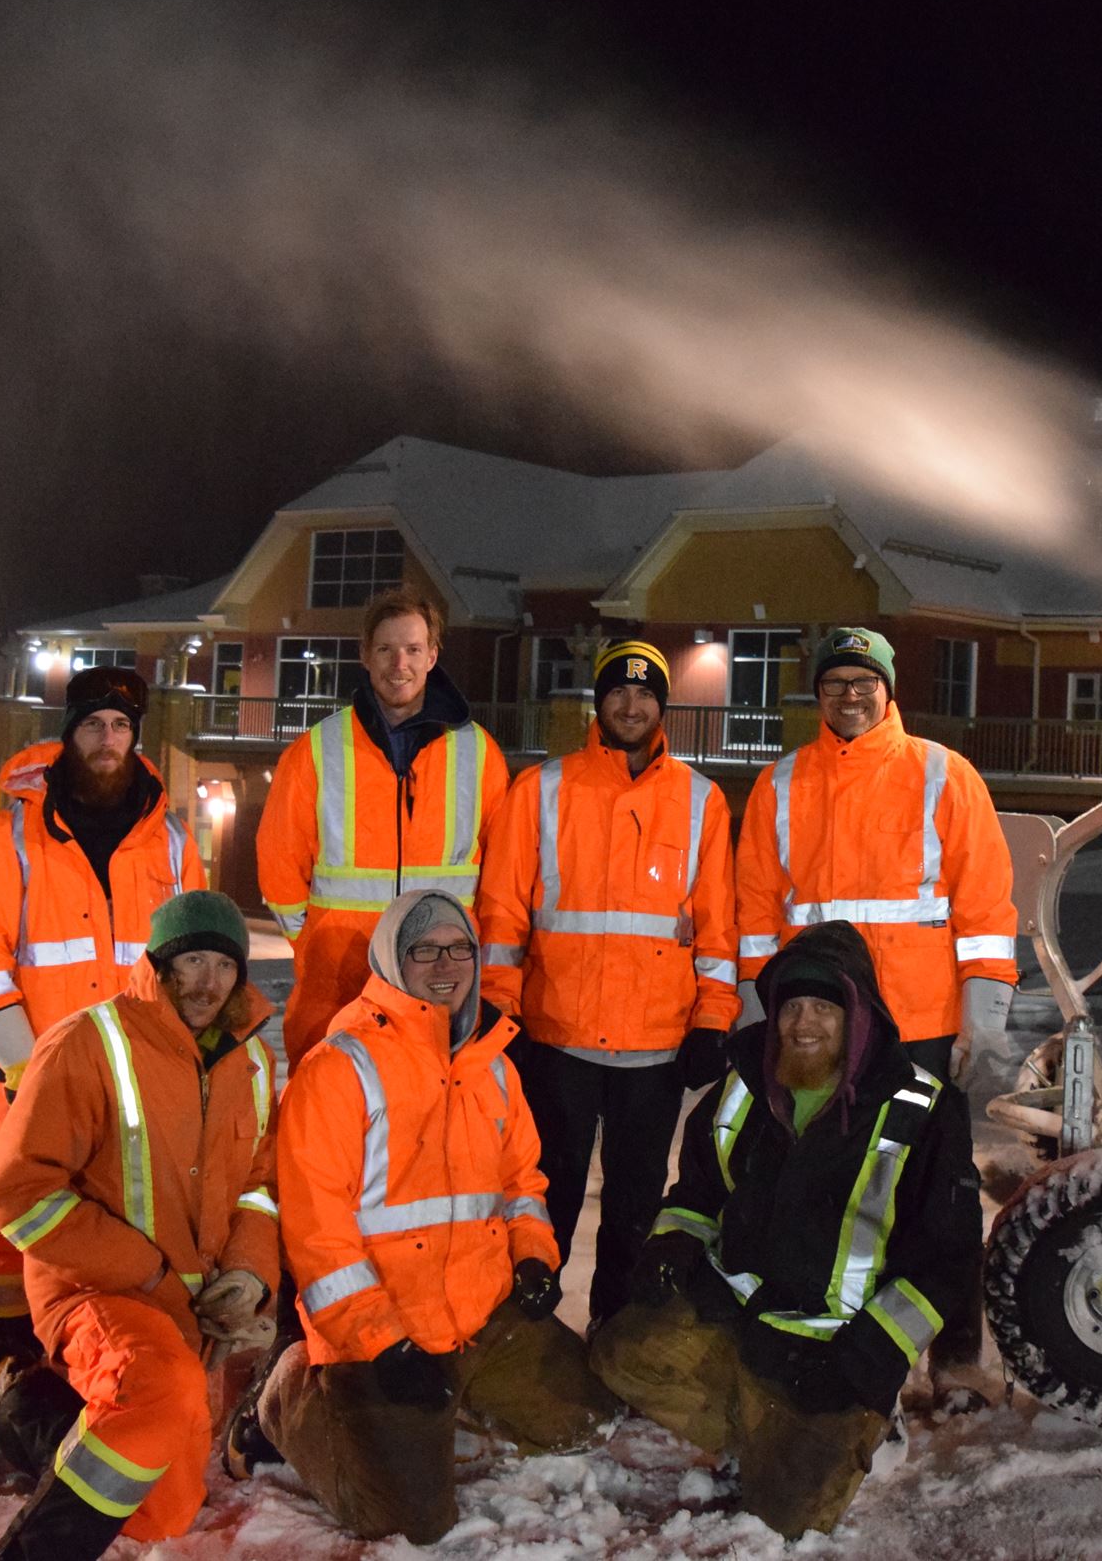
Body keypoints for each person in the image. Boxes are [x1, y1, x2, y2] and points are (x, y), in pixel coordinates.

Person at [590, 921, 980, 1538]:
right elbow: (698, 1193)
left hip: (841, 1347)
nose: (803, 1023)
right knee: (621, 1354)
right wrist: (672, 1244)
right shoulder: (743, 1086)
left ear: (858, 1015)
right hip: (745, 1318)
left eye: (824, 1007)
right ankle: (762, 1425)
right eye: (791, 1007)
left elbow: (948, 1260)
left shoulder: (925, 1109)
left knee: (788, 1516)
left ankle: (862, 1426)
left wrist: (869, 1359)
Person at [259, 889, 616, 1543]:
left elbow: (521, 1184)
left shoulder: (492, 1065)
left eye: (459, 948)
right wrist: (382, 1342)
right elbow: (317, 1235)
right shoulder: (339, 1068)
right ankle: (292, 1398)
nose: (446, 964)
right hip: (380, 1331)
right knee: (410, 1522)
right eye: (424, 949)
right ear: (391, 961)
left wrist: (533, 1256)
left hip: (480, 1313)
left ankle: (456, 1398)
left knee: (588, 1422)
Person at [0, 890, 281, 1559]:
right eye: (192, 961)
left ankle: (24, 1411)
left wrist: (248, 1272)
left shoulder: (253, 1062)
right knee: (159, 1392)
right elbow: (17, 1190)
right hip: (95, 1290)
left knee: (162, 1512)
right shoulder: (86, 1043)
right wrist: (146, 1269)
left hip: (188, 1310)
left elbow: (259, 1185)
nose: (208, 982)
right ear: (160, 964)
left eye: (224, 966)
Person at [0, 666, 206, 1399]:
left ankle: (93, 1359)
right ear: (68, 735)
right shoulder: (11, 838)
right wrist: (26, 1065)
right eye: (93, 725)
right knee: (5, 1221)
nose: (107, 740)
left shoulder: (172, 843)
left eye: (120, 726)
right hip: (26, 1074)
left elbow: (194, 960)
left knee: (123, 1221)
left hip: (134, 1081)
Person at [474, 639, 738, 1324]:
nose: (631, 705)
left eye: (645, 693)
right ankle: (530, 1335)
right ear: (599, 701)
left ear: (662, 705)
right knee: (545, 1201)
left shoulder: (701, 801)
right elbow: (502, 915)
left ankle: (613, 1336)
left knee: (633, 1211)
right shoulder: (541, 790)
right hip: (556, 1040)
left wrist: (713, 1020)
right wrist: (499, 1008)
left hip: (654, 1052)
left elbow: (717, 930)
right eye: (618, 691)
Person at [735, 626, 1018, 1079]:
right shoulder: (777, 784)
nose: (850, 695)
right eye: (834, 683)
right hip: (816, 1025)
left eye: (865, 681)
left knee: (923, 1131)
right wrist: (755, 1004)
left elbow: (984, 911)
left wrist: (984, 1019)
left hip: (922, 1028)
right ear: (818, 693)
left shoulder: (946, 775)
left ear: (887, 689)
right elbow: (755, 913)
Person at [255, 587, 509, 1067]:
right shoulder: (316, 750)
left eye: (413, 649)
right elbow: (279, 862)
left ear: (432, 656)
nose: (400, 664)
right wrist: (311, 944)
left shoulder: (479, 753)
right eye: (386, 649)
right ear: (365, 655)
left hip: (441, 982)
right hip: (338, 983)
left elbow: (502, 875)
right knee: (330, 1107)